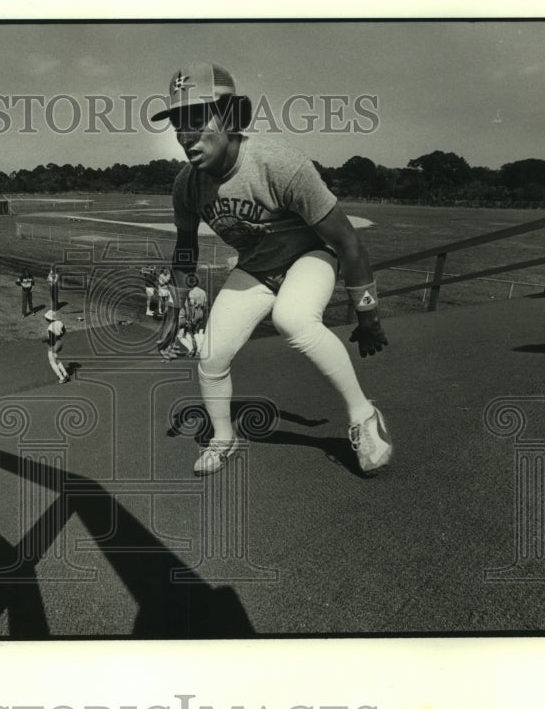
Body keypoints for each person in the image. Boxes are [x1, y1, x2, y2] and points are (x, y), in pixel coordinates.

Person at [150, 61, 392, 476]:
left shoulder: (279, 164)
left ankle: (364, 416)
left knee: (293, 319)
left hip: (309, 257)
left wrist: (367, 313)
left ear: (231, 117)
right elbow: (185, 245)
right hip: (258, 267)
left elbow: (347, 241)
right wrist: (183, 296)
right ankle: (224, 438)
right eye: (177, 123)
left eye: (196, 118)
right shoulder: (186, 185)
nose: (185, 135)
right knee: (210, 355)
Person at [174, 285, 208, 358]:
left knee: (184, 334)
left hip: (192, 314)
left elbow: (190, 306)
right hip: (200, 313)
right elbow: (205, 304)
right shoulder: (203, 292)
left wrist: (190, 318)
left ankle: (191, 349)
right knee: (195, 331)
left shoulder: (191, 293)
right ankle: (198, 348)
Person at [44, 310, 69, 384]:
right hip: (60, 342)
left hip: (54, 345)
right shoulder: (59, 322)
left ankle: (61, 377)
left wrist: (46, 341)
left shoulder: (50, 327)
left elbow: (51, 339)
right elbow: (64, 331)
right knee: (56, 359)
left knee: (52, 362)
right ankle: (65, 373)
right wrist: (58, 336)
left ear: (48, 319)